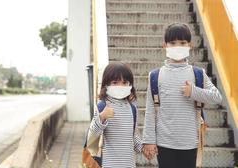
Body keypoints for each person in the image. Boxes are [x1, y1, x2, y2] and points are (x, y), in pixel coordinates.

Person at [142, 23, 223, 168]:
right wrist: (148, 140)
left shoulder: (198, 74)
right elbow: (150, 111)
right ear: (164, 46)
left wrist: (193, 91)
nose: (177, 46)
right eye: (172, 43)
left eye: (182, 43)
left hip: (190, 143)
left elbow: (216, 97)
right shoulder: (155, 76)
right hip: (164, 143)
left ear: (190, 45)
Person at [87, 62, 143, 168]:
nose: (120, 86)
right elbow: (92, 136)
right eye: (115, 82)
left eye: (125, 82)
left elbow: (133, 135)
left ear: (130, 85)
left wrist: (143, 148)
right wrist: (102, 117)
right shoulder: (102, 106)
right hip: (108, 164)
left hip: (129, 164)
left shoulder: (132, 108)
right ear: (106, 84)